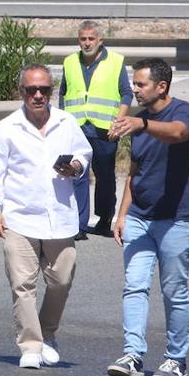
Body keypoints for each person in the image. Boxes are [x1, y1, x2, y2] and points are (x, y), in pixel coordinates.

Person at [0, 65, 92, 369]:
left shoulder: (66, 122)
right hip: (19, 215)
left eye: (44, 90)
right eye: (31, 90)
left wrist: (76, 167)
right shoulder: (6, 128)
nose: (38, 95)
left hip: (59, 216)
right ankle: (30, 346)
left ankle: (47, 332)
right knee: (22, 284)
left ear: (51, 92)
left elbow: (84, 154)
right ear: (21, 92)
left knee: (61, 279)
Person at [105, 58, 189, 376]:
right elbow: (135, 172)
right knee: (134, 286)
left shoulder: (182, 112)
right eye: (134, 83)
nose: (134, 89)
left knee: (174, 291)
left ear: (161, 86)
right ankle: (133, 355)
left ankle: (176, 359)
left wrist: (141, 125)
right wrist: (122, 214)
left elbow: (178, 134)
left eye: (140, 84)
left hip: (176, 219)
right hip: (140, 219)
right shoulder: (138, 121)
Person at [59, 20, 131, 240]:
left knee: (105, 176)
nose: (87, 43)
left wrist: (119, 122)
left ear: (101, 40)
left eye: (91, 38)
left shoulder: (116, 62)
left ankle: (105, 217)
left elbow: (126, 93)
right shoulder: (70, 62)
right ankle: (79, 225)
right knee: (77, 174)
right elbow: (63, 93)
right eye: (83, 39)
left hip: (104, 129)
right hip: (78, 128)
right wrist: (62, 123)